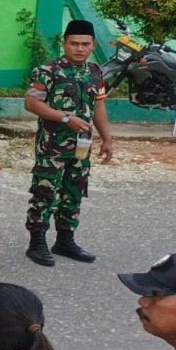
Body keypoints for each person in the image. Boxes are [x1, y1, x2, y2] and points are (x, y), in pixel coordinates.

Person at [24, 19, 114, 266]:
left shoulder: (95, 72)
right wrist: (66, 118)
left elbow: (98, 105)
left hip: (82, 147)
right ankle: (37, 241)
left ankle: (65, 239)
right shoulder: (47, 71)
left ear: (93, 45)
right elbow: (32, 103)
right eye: (74, 43)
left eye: (85, 44)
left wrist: (107, 139)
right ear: (64, 44)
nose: (80, 48)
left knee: (74, 191)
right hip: (51, 146)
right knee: (44, 192)